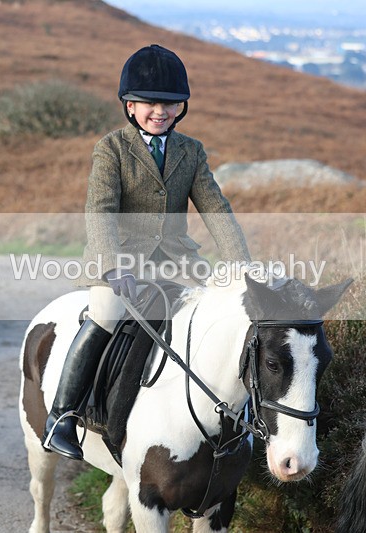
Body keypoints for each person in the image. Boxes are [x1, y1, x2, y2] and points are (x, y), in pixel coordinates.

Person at [41, 44, 251, 460]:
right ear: (130, 105)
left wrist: (240, 265)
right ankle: (62, 416)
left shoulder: (191, 151)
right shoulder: (111, 149)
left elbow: (215, 207)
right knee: (105, 314)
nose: (161, 111)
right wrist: (113, 266)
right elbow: (99, 211)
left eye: (171, 104)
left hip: (177, 261)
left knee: (217, 319)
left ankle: (230, 421)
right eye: (152, 103)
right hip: (119, 261)